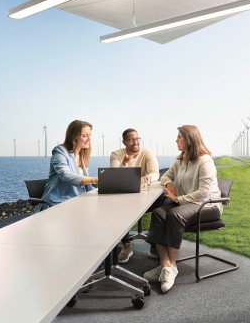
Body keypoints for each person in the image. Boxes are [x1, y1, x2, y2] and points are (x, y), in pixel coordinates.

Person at [144, 125, 221, 293]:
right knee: (158, 213)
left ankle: (171, 268)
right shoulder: (180, 160)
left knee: (175, 215)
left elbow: (203, 193)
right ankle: (166, 266)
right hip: (187, 203)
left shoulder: (205, 161)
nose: (176, 140)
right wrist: (169, 185)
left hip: (208, 205)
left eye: (179, 137)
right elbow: (165, 176)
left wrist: (177, 198)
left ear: (189, 140)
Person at [110, 128, 160, 263]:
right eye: (131, 140)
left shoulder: (147, 153)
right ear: (124, 142)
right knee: (117, 206)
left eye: (137, 139)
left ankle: (156, 243)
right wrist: (125, 163)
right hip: (125, 196)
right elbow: (115, 177)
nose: (135, 142)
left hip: (145, 194)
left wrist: (145, 179)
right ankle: (126, 244)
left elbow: (155, 173)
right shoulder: (116, 155)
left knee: (163, 204)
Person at [36, 120, 98, 212]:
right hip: (58, 203)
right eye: (85, 136)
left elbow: (86, 185)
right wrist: (93, 179)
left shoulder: (82, 154)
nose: (89, 139)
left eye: (90, 135)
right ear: (74, 137)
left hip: (77, 201)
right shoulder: (59, 151)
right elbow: (65, 175)